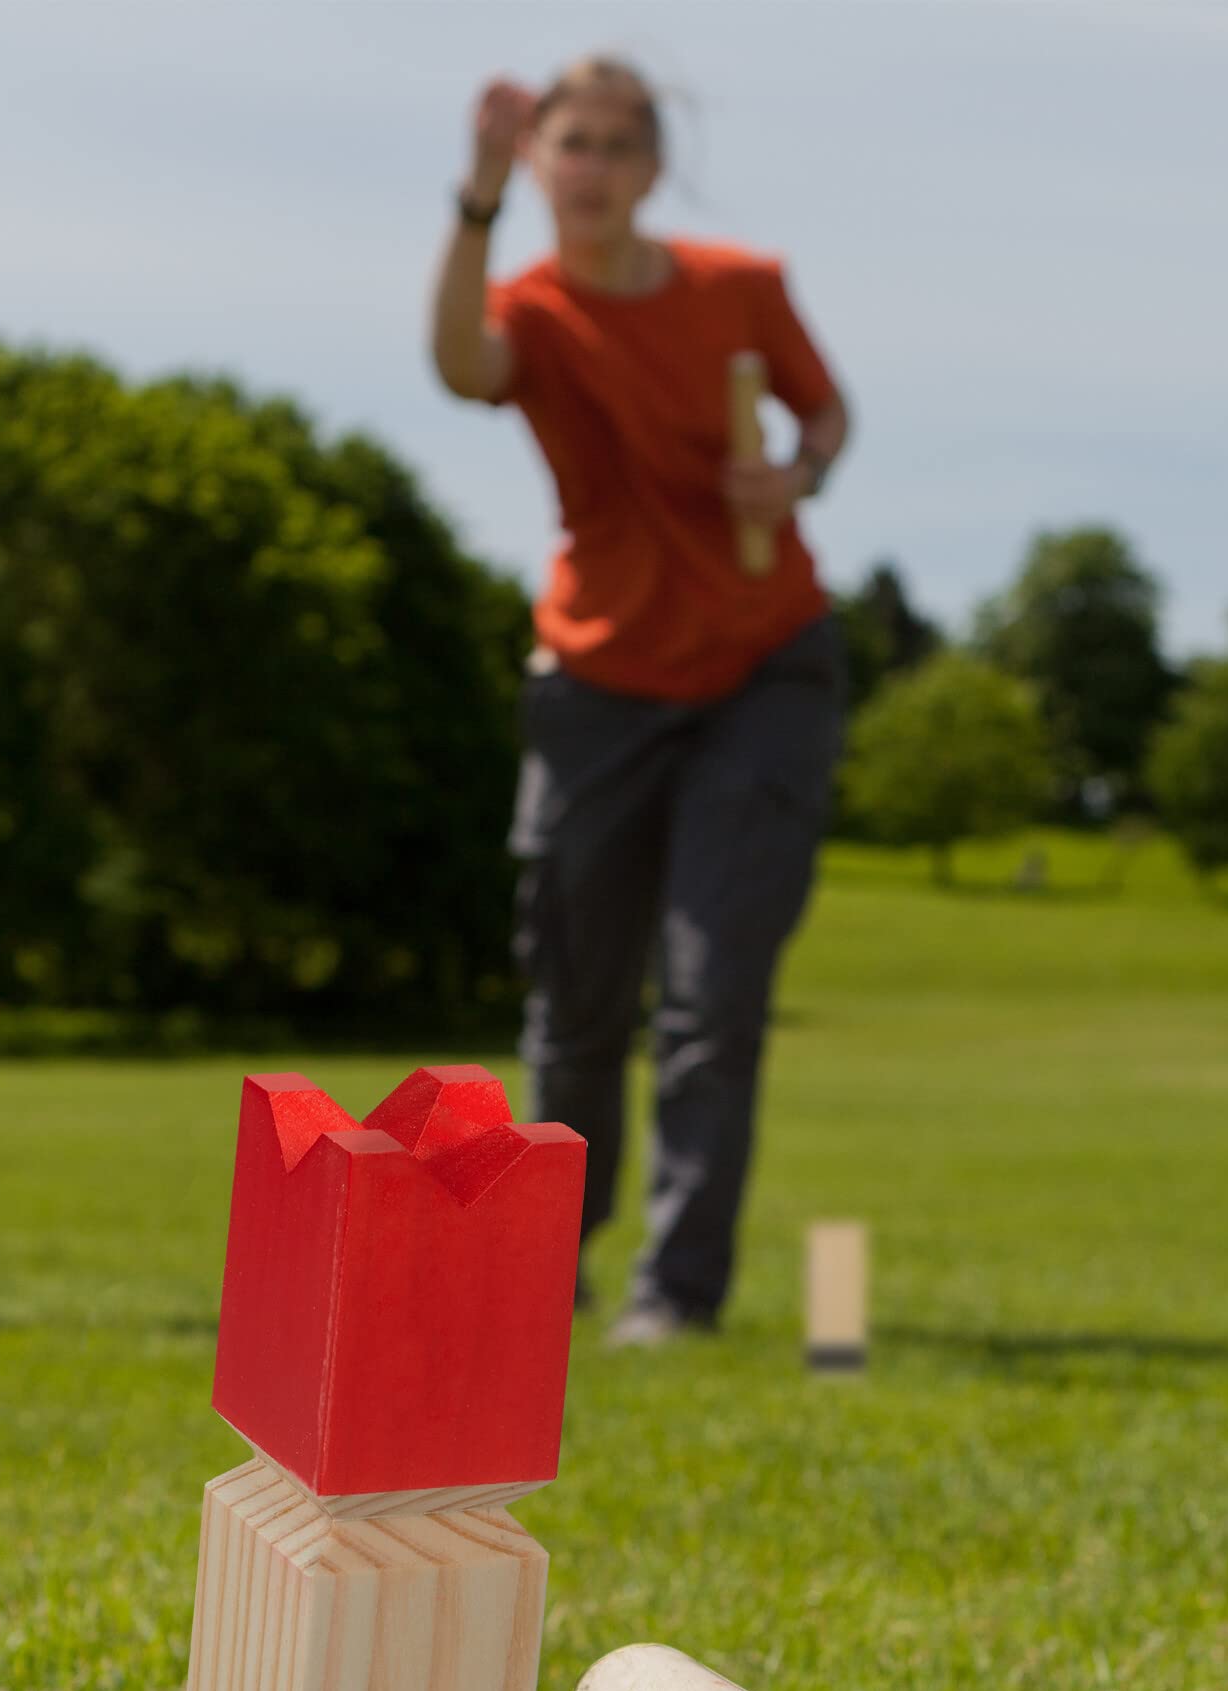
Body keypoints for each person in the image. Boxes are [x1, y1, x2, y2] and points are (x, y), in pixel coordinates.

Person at [431, 59, 850, 1345]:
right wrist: (475, 199)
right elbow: (458, 366)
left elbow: (824, 416)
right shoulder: (533, 309)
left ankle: (675, 1292)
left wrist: (792, 476)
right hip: (598, 683)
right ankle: (545, 1272)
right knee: (575, 999)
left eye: (618, 144)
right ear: (543, 160)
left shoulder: (740, 289)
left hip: (760, 668)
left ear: (653, 166)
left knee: (710, 993)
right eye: (573, 143)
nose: (595, 165)